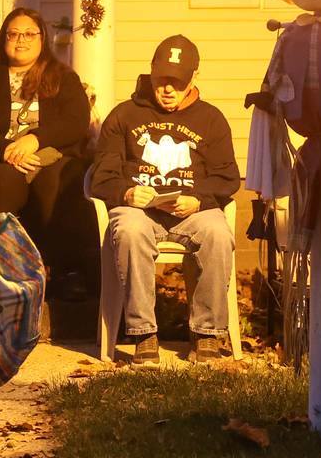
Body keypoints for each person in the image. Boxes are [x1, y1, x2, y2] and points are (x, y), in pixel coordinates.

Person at [91, 36, 240, 364]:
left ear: (193, 79)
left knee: (217, 233)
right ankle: (143, 332)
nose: (168, 89)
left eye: (178, 82)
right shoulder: (124, 115)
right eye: (162, 80)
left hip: (192, 210)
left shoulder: (211, 119)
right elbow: (102, 177)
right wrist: (127, 193)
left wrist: (198, 200)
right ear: (151, 74)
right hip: (139, 210)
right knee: (130, 230)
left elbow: (228, 179)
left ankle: (207, 333)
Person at [0, 8, 94, 296]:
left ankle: (60, 271)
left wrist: (35, 140)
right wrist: (5, 148)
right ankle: (0, 270)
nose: (21, 40)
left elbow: (77, 121)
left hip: (50, 156)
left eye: (29, 33)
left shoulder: (62, 77)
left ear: (41, 38)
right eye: (13, 34)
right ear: (3, 39)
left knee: (56, 183)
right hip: (1, 159)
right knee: (3, 182)